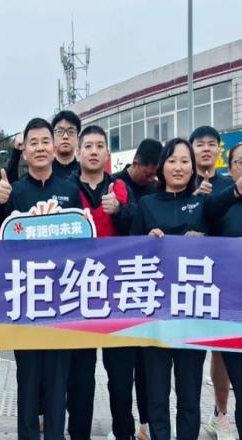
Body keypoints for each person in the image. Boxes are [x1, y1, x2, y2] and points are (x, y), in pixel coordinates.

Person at [130, 137, 241, 440]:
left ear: (193, 168)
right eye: (172, 161)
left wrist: (204, 241)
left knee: (190, 396)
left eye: (184, 161)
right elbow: (128, 254)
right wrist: (146, 241)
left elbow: (223, 237)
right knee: (157, 395)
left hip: (193, 315)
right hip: (155, 316)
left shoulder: (204, 205)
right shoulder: (146, 205)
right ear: (161, 166)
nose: (178, 167)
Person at [0, 117, 83, 440]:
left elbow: (84, 243)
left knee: (58, 386)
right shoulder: (15, 192)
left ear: (54, 147)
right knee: (28, 384)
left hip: (61, 303)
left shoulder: (70, 191)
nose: (41, 147)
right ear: (25, 151)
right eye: (34, 142)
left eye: (46, 141)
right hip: (25, 302)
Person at [68, 125, 136, 440]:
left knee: (120, 378)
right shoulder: (67, 189)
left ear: (107, 152)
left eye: (99, 146)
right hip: (78, 293)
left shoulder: (120, 187)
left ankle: (124, 432)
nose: (94, 151)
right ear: (78, 152)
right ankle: (78, 433)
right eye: (88, 146)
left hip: (118, 295)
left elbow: (136, 227)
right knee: (79, 379)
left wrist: (119, 211)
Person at [112, 137, 163, 440]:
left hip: (148, 291)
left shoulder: (158, 190)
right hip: (116, 289)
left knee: (148, 369)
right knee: (120, 374)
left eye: (157, 173)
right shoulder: (115, 185)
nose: (154, 178)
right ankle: (123, 430)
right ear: (136, 164)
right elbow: (123, 228)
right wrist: (119, 210)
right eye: (150, 172)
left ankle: (146, 425)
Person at [189, 125, 235, 440]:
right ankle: (184, 416)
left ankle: (220, 413)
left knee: (222, 350)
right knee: (188, 354)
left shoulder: (230, 185)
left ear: (219, 149)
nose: (206, 148)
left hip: (225, 281)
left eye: (211, 144)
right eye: (199, 144)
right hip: (190, 280)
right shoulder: (180, 182)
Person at [215, 142, 242, 438]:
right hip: (232, 311)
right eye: (241, 163)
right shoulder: (220, 205)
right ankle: (222, 415)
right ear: (231, 168)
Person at [6, 110, 81, 183]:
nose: (65, 136)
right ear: (52, 137)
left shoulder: (85, 172)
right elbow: (12, 186)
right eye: (60, 131)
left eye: (71, 132)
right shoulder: (41, 171)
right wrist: (16, 152)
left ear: (78, 139)